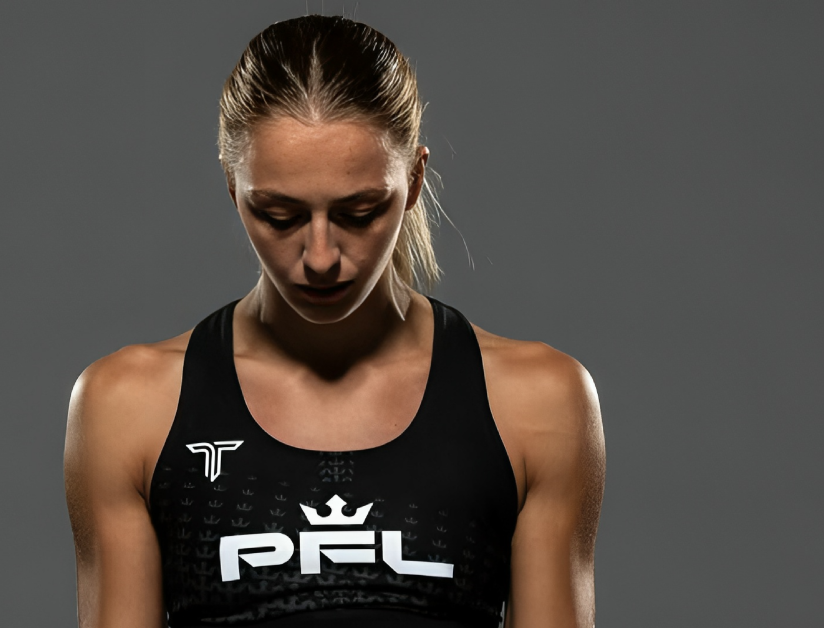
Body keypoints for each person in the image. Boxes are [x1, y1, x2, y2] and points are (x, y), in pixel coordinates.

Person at [64, 15, 605, 628]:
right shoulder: (132, 407)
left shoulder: (534, 402)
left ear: (415, 179)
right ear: (232, 185)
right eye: (279, 215)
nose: (320, 257)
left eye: (359, 212)